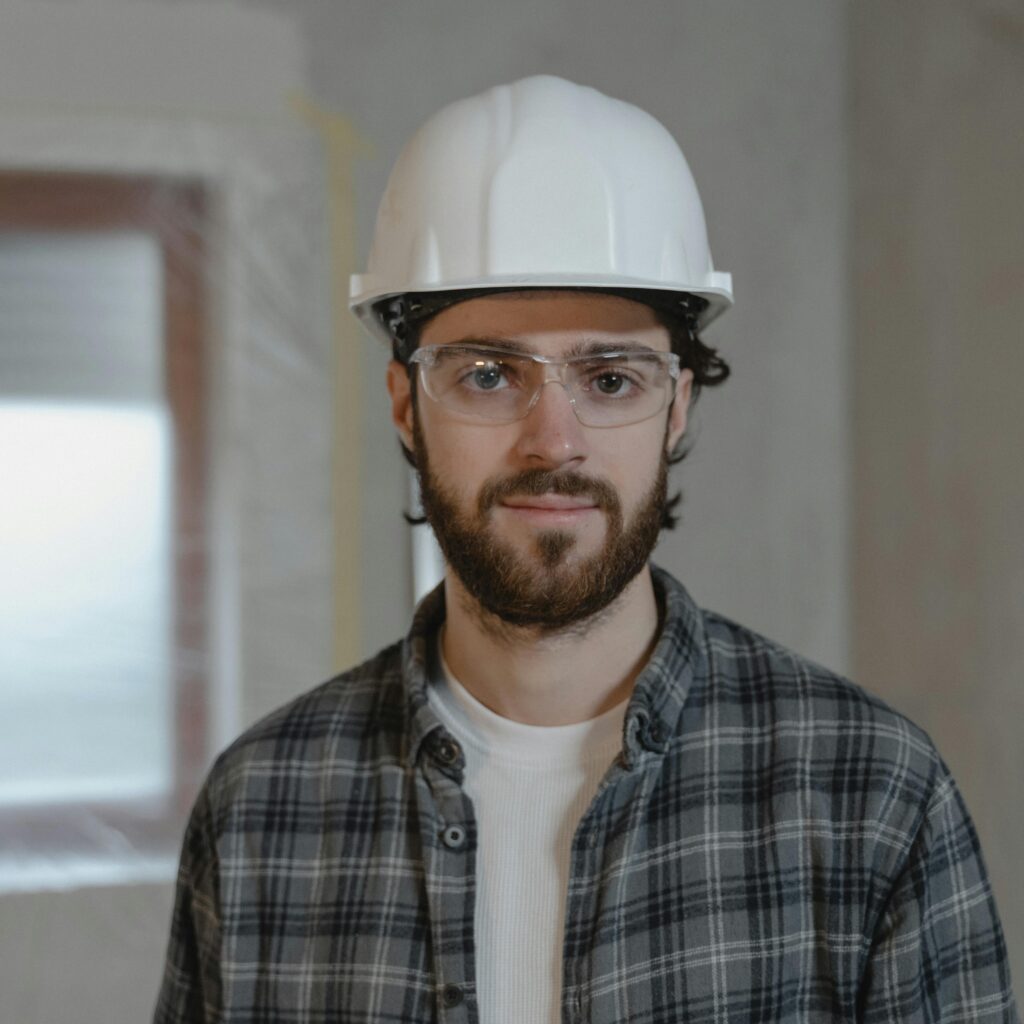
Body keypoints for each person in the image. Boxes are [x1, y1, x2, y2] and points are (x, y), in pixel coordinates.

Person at [154, 76, 1018, 1024]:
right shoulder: (263, 810)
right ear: (406, 406)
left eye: (610, 378)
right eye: (488, 375)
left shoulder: (869, 794)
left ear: (678, 406)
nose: (553, 441)